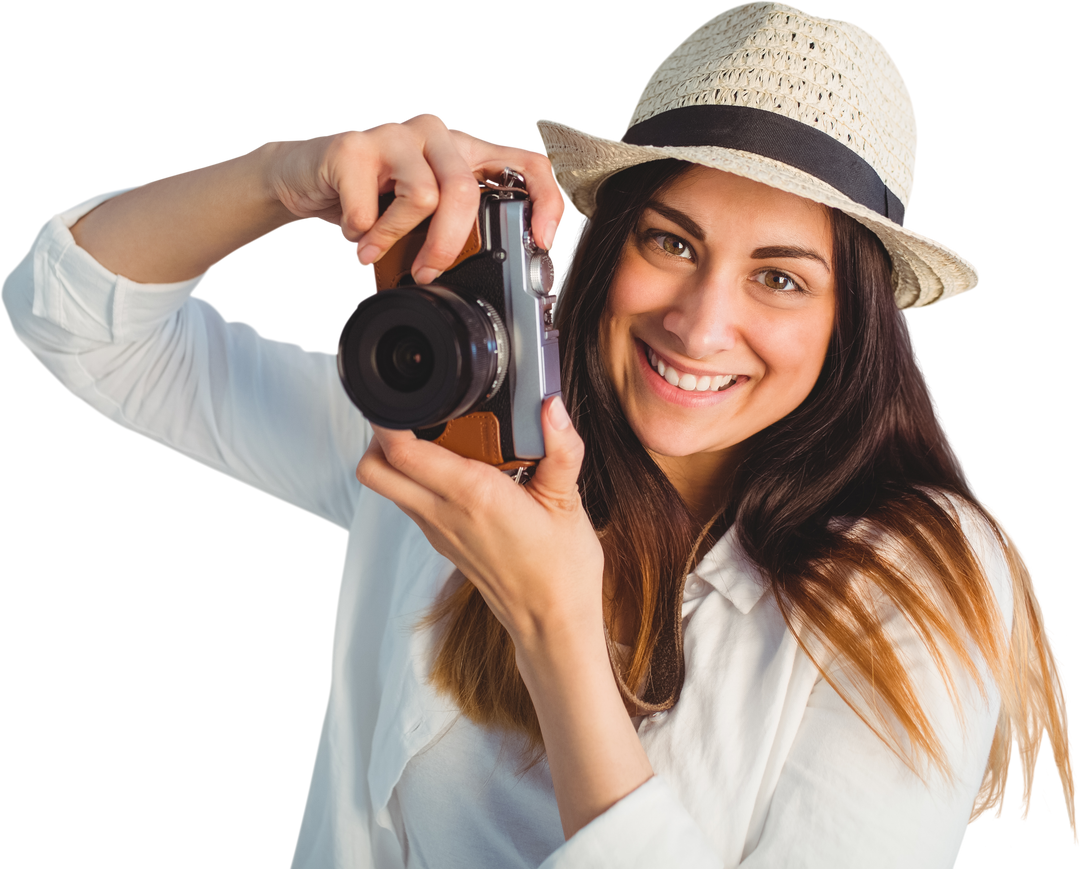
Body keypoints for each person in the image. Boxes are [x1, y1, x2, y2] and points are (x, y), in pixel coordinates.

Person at [2, 2, 1074, 866]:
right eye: (672, 240)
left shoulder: (923, 579)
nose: (701, 323)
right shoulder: (460, 442)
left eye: (782, 277)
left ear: (854, 325)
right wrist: (287, 175)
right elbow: (74, 318)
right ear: (607, 246)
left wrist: (556, 623)